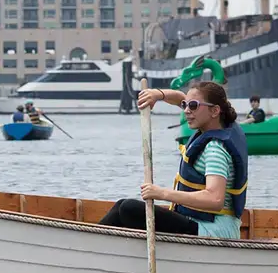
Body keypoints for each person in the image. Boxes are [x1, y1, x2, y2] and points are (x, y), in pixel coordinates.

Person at [99, 80, 248, 239]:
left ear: (215, 111)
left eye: (193, 106)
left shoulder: (215, 149)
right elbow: (179, 97)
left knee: (129, 208)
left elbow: (214, 199)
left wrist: (161, 193)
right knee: (121, 205)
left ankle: (90, 246)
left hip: (213, 230)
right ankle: (93, 241)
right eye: (185, 105)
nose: (186, 111)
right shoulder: (220, 124)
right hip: (202, 222)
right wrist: (158, 95)